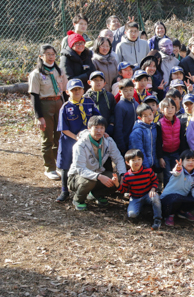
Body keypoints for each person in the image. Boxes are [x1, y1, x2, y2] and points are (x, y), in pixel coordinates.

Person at [55, 78, 101, 202]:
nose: (76, 92)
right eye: (73, 90)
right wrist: (76, 138)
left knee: (89, 162)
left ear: (83, 90)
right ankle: (64, 191)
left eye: (79, 89)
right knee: (65, 164)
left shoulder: (89, 102)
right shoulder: (65, 107)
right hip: (70, 140)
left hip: (87, 139)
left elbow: (97, 118)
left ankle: (90, 190)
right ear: (67, 92)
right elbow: (63, 128)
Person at [67, 115, 127, 210]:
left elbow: (118, 158)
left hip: (98, 171)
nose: (99, 131)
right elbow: (81, 169)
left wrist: (123, 175)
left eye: (102, 128)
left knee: (117, 179)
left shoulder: (108, 141)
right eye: (96, 128)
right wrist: (98, 177)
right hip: (76, 177)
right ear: (89, 128)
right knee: (89, 181)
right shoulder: (80, 145)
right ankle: (78, 199)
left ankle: (95, 195)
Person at [29, 44, 67, 180]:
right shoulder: (36, 74)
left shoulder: (59, 70)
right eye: (48, 54)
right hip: (45, 104)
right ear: (41, 56)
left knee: (59, 136)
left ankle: (59, 165)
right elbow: (34, 96)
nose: (51, 57)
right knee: (47, 138)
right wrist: (39, 117)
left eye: (53, 54)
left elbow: (64, 91)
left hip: (59, 103)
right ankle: (49, 167)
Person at [114, 149, 162, 230]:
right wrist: (117, 184)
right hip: (135, 198)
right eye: (133, 160)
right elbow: (123, 190)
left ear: (142, 160)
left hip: (148, 194)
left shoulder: (148, 171)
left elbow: (155, 181)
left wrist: (153, 189)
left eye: (139, 159)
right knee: (132, 214)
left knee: (156, 198)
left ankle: (157, 219)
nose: (137, 162)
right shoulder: (127, 176)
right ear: (127, 162)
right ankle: (143, 210)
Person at [160, 150, 194, 226]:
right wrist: (178, 168)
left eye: (193, 160)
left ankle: (182, 211)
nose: (191, 162)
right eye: (188, 160)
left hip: (181, 198)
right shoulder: (180, 171)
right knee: (176, 198)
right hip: (168, 199)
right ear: (182, 161)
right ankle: (170, 215)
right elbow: (176, 173)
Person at [157, 97, 185, 186]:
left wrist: (182, 155)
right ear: (162, 110)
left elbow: (182, 139)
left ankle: (175, 193)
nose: (170, 110)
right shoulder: (160, 123)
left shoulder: (179, 122)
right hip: (165, 154)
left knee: (177, 174)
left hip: (176, 153)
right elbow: (158, 142)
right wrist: (160, 157)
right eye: (167, 108)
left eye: (172, 107)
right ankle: (167, 194)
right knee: (167, 175)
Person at [84, 71, 116, 136]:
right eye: (95, 80)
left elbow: (114, 112)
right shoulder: (85, 98)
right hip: (90, 131)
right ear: (89, 82)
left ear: (104, 83)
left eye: (101, 80)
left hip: (107, 129)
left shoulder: (109, 96)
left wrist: (111, 125)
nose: (98, 82)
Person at [129, 103, 159, 169]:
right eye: (145, 116)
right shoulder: (137, 132)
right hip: (142, 166)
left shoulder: (154, 127)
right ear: (139, 118)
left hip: (152, 164)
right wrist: (146, 167)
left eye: (150, 114)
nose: (149, 117)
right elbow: (139, 151)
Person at [113, 79, 139, 154]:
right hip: (125, 141)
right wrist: (121, 145)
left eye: (131, 90)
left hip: (135, 140)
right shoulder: (120, 106)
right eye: (125, 90)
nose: (129, 92)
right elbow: (118, 127)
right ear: (120, 92)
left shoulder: (136, 103)